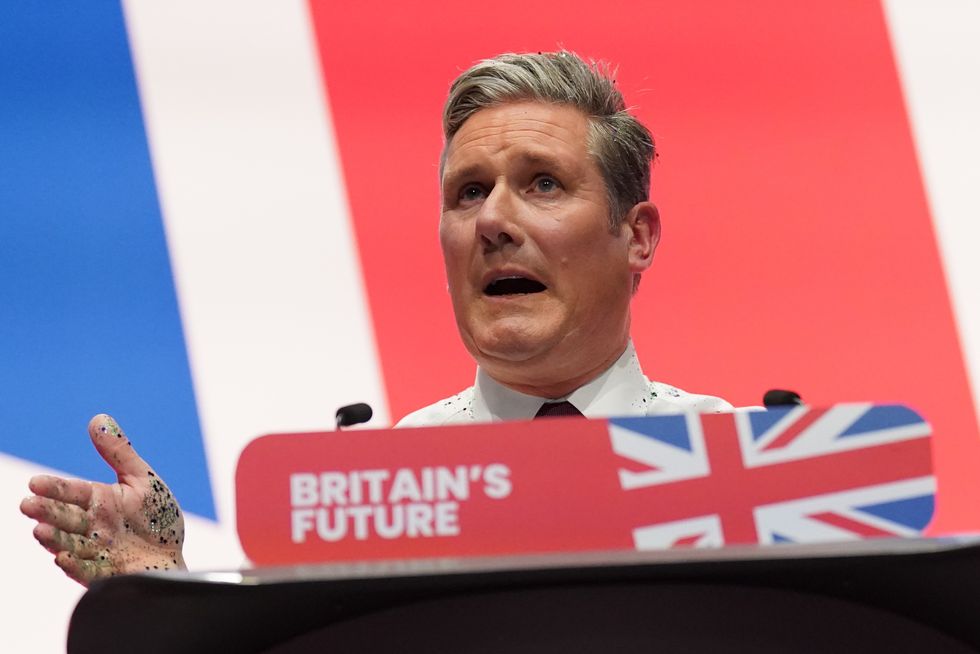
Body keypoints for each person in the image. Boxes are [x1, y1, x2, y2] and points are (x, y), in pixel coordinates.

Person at [20, 51, 731, 587]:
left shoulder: (739, 469)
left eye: (543, 183)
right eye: (469, 192)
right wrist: (163, 589)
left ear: (636, 236)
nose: (493, 220)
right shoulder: (372, 500)